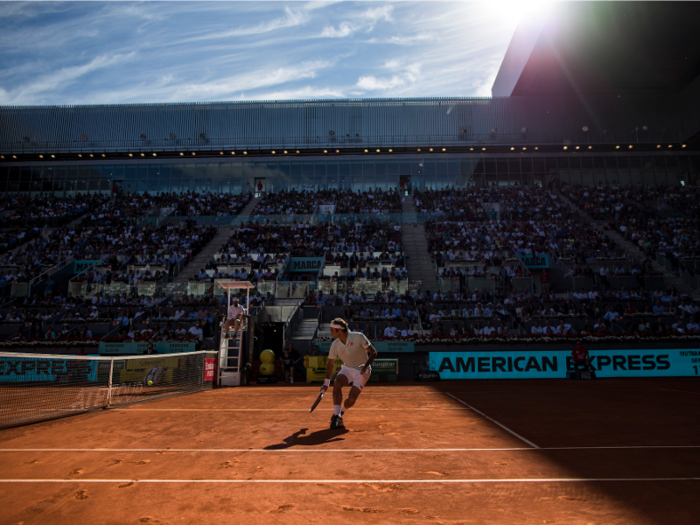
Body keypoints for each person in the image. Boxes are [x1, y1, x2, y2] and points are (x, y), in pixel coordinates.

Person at [321, 317, 377, 429]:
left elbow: (373, 352)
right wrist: (326, 382)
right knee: (336, 382)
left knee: (351, 400)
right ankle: (337, 416)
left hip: (363, 371)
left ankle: (341, 412)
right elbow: (330, 364)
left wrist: (365, 366)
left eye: (332, 330)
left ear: (339, 330)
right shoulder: (335, 344)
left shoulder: (359, 337)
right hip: (347, 368)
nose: (331, 333)